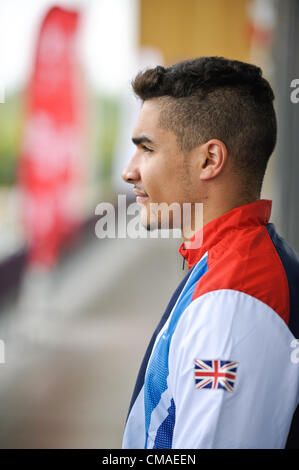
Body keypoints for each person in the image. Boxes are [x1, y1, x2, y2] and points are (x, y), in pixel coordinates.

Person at [121, 56, 299, 449]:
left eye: (147, 149)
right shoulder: (233, 260)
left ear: (210, 160)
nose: (129, 171)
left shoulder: (233, 299)